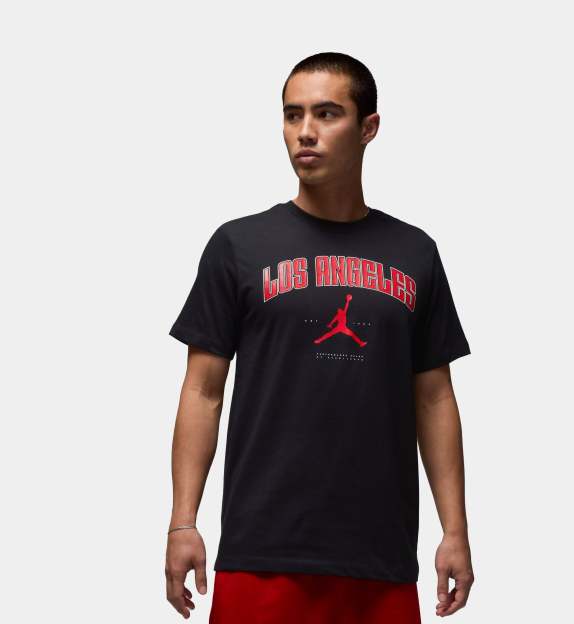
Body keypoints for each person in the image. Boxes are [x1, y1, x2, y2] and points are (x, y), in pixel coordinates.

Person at [165, 52, 474, 623]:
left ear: (368, 127)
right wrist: (183, 522)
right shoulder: (238, 246)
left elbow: (434, 398)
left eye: (327, 114)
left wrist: (454, 530)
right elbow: (202, 392)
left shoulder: (415, 253)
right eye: (293, 115)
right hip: (262, 552)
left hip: (379, 559)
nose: (305, 131)